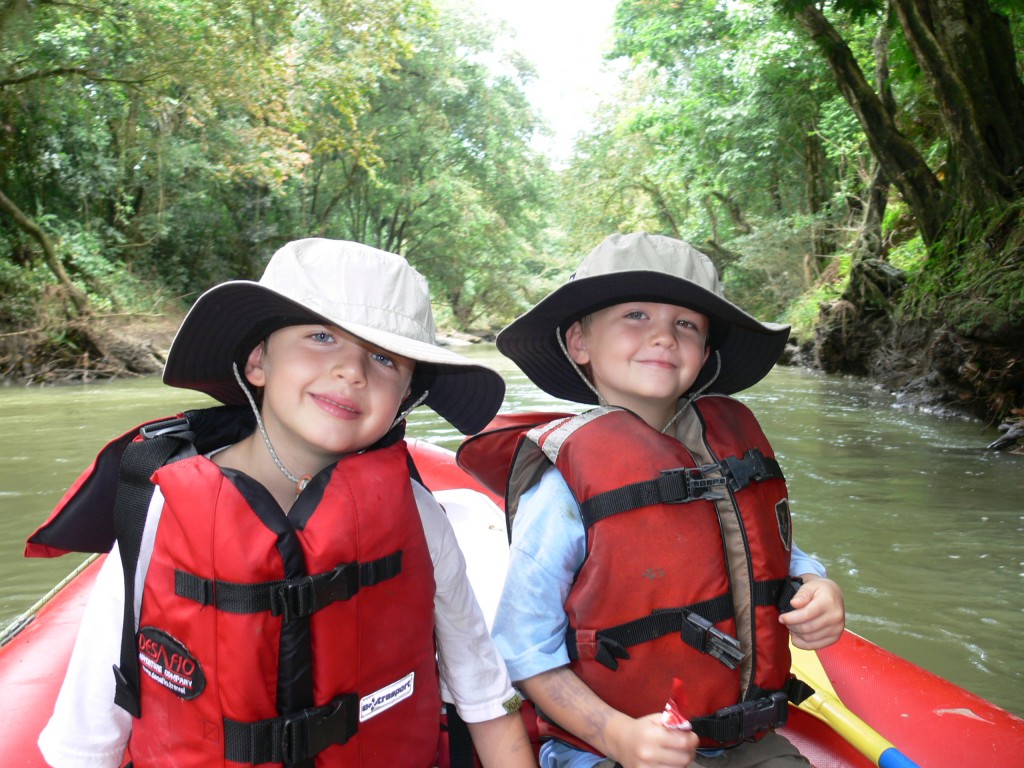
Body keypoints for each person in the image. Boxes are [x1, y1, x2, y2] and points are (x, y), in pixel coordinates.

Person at [35, 238, 535, 767]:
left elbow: (483, 692)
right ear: (257, 362)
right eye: (320, 337)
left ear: (405, 400)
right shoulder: (158, 511)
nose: (352, 371)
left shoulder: (418, 515)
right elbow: (85, 742)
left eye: (384, 358)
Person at [484, 233, 846, 768]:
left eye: (686, 324)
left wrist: (817, 586)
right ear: (580, 342)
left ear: (704, 353)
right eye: (635, 315)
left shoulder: (727, 451)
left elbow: (771, 557)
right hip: (608, 748)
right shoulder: (562, 486)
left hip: (740, 740)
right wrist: (615, 735)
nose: (664, 337)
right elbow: (524, 650)